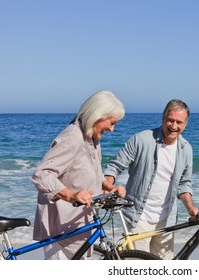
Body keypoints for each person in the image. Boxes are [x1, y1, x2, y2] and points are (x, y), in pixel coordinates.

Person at [32, 90, 126, 260]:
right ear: (97, 115)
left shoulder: (92, 139)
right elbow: (42, 175)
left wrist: (109, 187)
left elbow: (91, 174)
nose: (112, 130)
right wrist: (71, 195)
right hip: (61, 228)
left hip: (79, 224)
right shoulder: (72, 137)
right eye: (112, 123)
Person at [103, 99, 198, 259]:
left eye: (179, 122)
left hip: (167, 220)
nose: (174, 126)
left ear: (185, 124)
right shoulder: (141, 139)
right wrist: (107, 187)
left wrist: (191, 208)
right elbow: (115, 166)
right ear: (163, 118)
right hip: (138, 217)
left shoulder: (186, 148)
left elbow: (184, 184)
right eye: (170, 120)